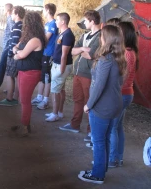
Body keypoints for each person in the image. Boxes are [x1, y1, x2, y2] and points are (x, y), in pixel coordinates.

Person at [78, 25, 126, 184]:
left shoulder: (106, 59)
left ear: (107, 39)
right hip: (115, 104)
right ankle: (101, 168)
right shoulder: (120, 58)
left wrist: (89, 104)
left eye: (102, 36)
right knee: (105, 138)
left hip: (102, 106)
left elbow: (99, 86)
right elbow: (119, 82)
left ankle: (97, 175)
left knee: (98, 141)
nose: (100, 38)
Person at [59, 10, 101, 142]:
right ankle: (74, 124)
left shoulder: (100, 37)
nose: (84, 23)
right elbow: (72, 51)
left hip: (88, 74)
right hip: (78, 72)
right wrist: (83, 49)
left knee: (89, 102)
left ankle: (91, 130)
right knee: (78, 100)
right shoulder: (85, 35)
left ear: (92, 21)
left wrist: (82, 50)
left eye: (86, 21)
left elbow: (91, 55)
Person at [109, 21, 138, 167]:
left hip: (121, 93)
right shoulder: (131, 51)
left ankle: (113, 159)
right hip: (127, 93)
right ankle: (118, 157)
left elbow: (121, 77)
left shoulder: (125, 53)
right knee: (118, 126)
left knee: (112, 127)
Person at [11, 11, 45, 136]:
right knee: (23, 99)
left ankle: (25, 127)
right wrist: (17, 52)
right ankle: (24, 123)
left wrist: (16, 54)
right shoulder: (28, 37)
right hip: (24, 71)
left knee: (25, 100)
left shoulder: (35, 40)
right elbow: (16, 47)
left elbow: (21, 54)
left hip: (30, 72)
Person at [45, 13, 75, 122]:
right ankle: (59, 112)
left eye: (57, 20)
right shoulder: (62, 33)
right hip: (58, 64)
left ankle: (55, 114)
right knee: (60, 89)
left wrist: (61, 70)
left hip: (61, 65)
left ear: (63, 21)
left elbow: (64, 54)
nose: (56, 21)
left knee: (55, 91)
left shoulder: (67, 35)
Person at [31, 3, 58, 110]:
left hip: (49, 53)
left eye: (44, 9)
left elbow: (45, 39)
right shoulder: (47, 23)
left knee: (47, 77)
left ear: (48, 10)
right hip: (44, 53)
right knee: (42, 76)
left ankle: (45, 100)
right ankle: (39, 96)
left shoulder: (53, 24)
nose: (43, 11)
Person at [0, 6, 25, 106]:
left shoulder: (17, 25)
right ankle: (16, 97)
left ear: (17, 14)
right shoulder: (22, 25)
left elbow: (14, 41)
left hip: (13, 55)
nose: (11, 15)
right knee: (16, 76)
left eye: (13, 13)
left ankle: (9, 99)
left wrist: (10, 53)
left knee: (9, 76)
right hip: (18, 54)